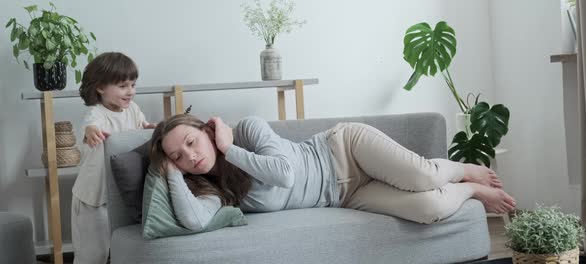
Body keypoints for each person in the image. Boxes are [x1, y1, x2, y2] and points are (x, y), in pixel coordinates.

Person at [149, 114, 516, 231]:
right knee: (429, 211)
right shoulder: (213, 190)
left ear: (208, 130)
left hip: (344, 150)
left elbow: (284, 175)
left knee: (424, 178)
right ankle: (471, 191)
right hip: (347, 195)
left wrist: (229, 148)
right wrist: (170, 175)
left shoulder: (248, 129)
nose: (190, 156)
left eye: (192, 142)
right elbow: (195, 222)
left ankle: (462, 168)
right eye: (178, 156)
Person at [71, 52, 156, 264]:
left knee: (119, 249)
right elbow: (90, 127)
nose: (130, 92)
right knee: (92, 255)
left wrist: (149, 129)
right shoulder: (96, 114)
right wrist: (91, 132)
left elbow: (140, 129)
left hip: (117, 196)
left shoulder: (133, 109)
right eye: (123, 86)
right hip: (93, 198)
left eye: (133, 85)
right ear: (100, 87)